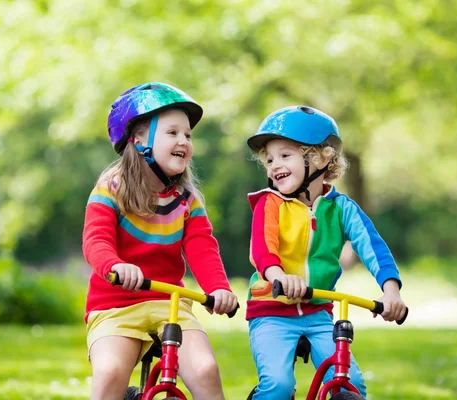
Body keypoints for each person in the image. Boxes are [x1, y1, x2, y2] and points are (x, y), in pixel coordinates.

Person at [82, 82, 238, 400]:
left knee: (206, 370)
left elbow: (202, 246)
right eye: (173, 133)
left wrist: (218, 287)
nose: (184, 140)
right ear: (138, 139)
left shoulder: (187, 199)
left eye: (188, 135)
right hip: (116, 305)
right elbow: (96, 239)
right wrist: (115, 265)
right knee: (110, 373)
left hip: (170, 303)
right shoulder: (111, 187)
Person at [245, 106, 407, 399]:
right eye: (269, 159)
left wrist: (391, 290)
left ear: (321, 158)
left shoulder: (341, 208)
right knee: (278, 386)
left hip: (318, 312)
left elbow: (373, 247)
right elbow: (262, 248)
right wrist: (278, 275)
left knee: (350, 383)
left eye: (285, 155)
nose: (273, 165)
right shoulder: (270, 204)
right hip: (271, 310)